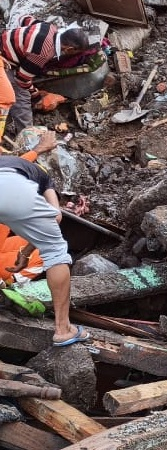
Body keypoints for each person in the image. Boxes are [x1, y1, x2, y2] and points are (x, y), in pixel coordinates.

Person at [0, 130, 91, 347]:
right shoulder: (45, 179)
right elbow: (56, 218)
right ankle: (63, 329)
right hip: (10, 192)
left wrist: (25, 252)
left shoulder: (13, 162)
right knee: (55, 251)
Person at [0, 19, 90, 136]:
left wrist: (18, 39)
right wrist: (37, 97)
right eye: (75, 53)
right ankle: (27, 137)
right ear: (69, 49)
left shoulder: (49, 27)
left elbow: (24, 19)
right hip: (4, 60)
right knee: (22, 98)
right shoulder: (44, 52)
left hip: (3, 41)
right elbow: (22, 80)